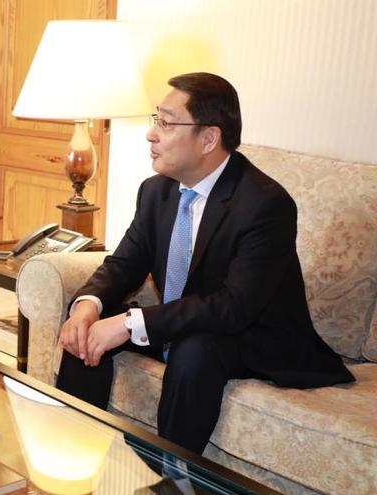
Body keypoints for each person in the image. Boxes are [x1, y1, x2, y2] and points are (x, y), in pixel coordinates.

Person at [56, 72, 354, 456]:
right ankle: (71, 452)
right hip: (188, 325)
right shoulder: (156, 190)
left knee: (194, 349)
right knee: (90, 327)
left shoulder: (265, 204)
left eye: (165, 123)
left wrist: (132, 323)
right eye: (155, 121)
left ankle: (173, 477)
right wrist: (86, 306)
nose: (152, 134)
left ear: (209, 139)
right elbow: (125, 262)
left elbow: (234, 308)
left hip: (254, 338)